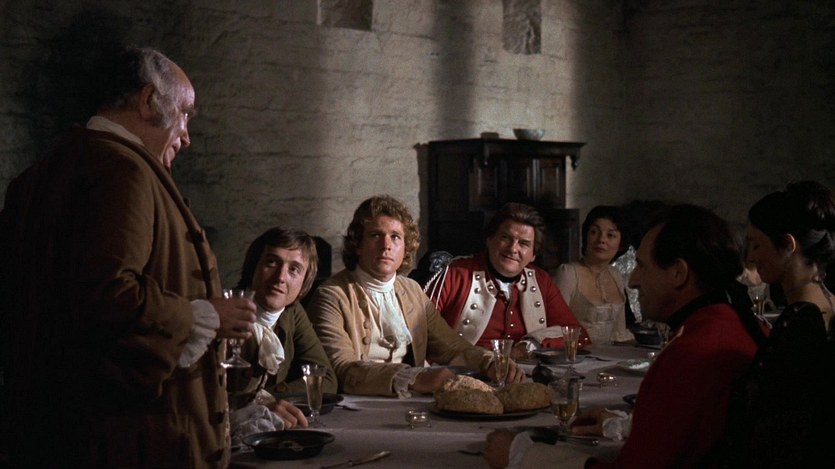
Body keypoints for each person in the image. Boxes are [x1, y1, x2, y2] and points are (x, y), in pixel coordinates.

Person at [0, 46, 256, 468]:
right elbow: (108, 295)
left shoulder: (37, 176)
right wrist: (205, 315)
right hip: (132, 439)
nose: (186, 135)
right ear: (148, 101)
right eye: (184, 114)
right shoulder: (123, 171)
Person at [485, 204, 765, 469]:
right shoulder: (738, 325)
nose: (633, 280)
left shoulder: (692, 353)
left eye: (642, 266)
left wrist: (520, 455)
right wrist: (622, 425)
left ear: (678, 273)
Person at [307, 195, 525, 397]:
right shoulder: (332, 295)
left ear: (406, 248)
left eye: (395, 237)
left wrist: (491, 362)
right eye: (375, 235)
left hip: (411, 402)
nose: (386, 246)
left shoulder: (412, 291)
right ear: (357, 244)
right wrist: (414, 378)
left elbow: (451, 348)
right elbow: (341, 368)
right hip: (356, 405)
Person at [720, 180, 835, 468]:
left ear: (788, 246)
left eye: (757, 244)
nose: (750, 257)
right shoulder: (829, 302)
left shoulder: (801, 321)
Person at [425, 202, 588, 359]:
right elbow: (421, 327)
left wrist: (530, 345)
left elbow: (576, 334)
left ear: (533, 255)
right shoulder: (455, 273)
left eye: (524, 243)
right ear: (489, 239)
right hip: (463, 372)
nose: (512, 249)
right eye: (505, 238)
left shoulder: (541, 280)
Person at [227, 227, 338, 431]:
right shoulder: (226, 310)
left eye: (294, 269)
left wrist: (268, 397)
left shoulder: (292, 312)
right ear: (253, 266)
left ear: (304, 283)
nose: (280, 277)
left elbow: (324, 379)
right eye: (271, 262)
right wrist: (257, 403)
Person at [553, 205, 635, 344]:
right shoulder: (568, 273)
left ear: (621, 244)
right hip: (575, 353)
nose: (601, 240)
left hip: (611, 354)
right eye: (594, 232)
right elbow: (554, 326)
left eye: (610, 235)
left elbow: (620, 333)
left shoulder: (616, 275)